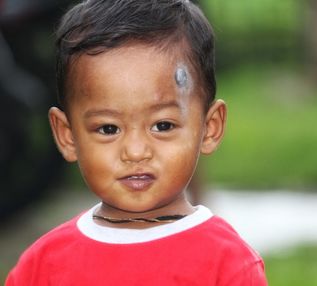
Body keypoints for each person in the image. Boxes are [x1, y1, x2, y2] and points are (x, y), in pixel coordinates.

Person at [6, 0, 268, 285]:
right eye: (108, 129)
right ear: (67, 136)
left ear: (209, 128)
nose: (135, 151)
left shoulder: (227, 263)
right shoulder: (43, 265)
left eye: (162, 126)